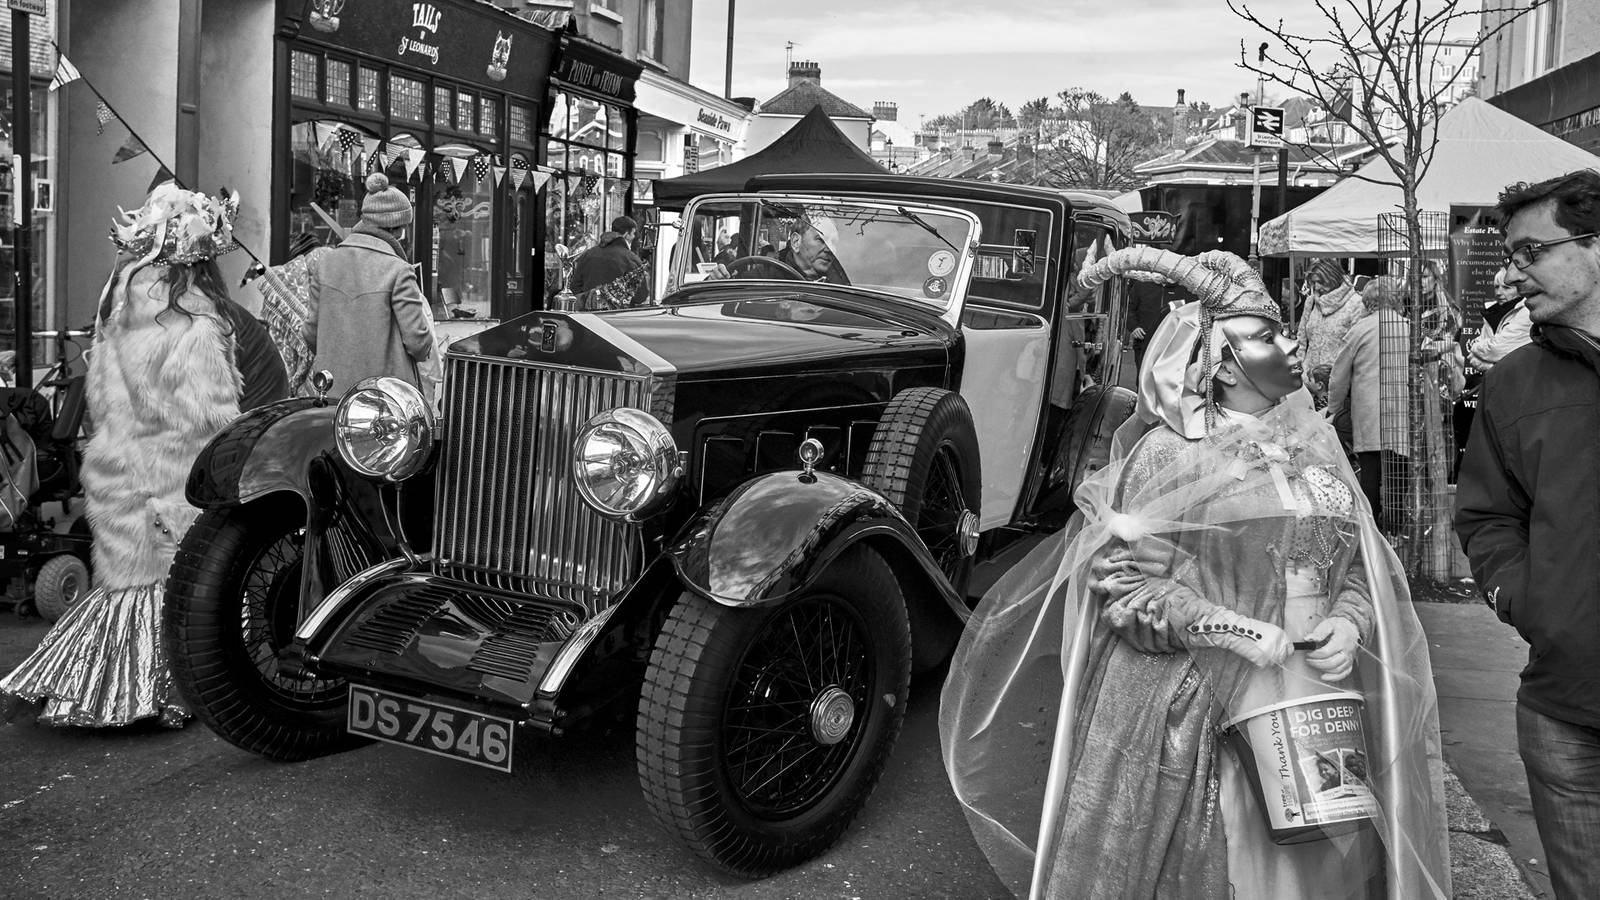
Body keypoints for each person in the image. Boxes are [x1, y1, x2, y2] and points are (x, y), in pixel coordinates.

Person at [942, 246, 1447, 899]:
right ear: (1220, 361)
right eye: (1268, 335)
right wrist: (1227, 627)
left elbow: (1345, 561)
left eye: (1286, 329)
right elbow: (1126, 587)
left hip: (1307, 711)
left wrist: (1348, 622)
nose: (1292, 346)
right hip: (1186, 714)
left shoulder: (1315, 445)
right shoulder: (1166, 455)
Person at [0, 183, 288, 728]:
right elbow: (224, 423)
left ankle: (103, 683)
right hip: (181, 486)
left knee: (129, 592)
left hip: (118, 477)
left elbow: (99, 407)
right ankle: (175, 686)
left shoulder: (115, 319)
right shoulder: (212, 325)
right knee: (184, 592)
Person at [1456, 169, 1600, 900]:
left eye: (1531, 252)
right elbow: (1485, 515)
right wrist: (1530, 600)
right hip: (1566, 708)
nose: (1514, 273)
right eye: (1511, 255)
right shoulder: (1515, 383)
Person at [306, 172, 438, 406]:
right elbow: (418, 341)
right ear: (397, 228)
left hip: (331, 391)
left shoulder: (326, 263)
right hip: (384, 397)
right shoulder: (398, 270)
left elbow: (310, 333)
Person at [1325, 276, 1412, 522]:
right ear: (1396, 300)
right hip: (1401, 414)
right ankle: (1396, 531)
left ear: (1368, 301)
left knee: (1370, 476)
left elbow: (1338, 376)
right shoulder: (1409, 328)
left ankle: (1372, 532)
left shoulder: (1359, 331)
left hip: (1368, 414)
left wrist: (1333, 408)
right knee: (1397, 475)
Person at [1297, 259, 1364, 406]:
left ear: (1332, 278)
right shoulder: (1311, 302)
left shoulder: (1356, 304)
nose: (1317, 287)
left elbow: (1357, 348)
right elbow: (1301, 340)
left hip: (1337, 386)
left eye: (1321, 282)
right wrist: (1300, 370)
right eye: (1313, 283)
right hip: (1308, 384)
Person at [569, 215, 648, 308]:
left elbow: (575, 287)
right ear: (627, 234)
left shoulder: (588, 254)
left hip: (588, 316)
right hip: (617, 317)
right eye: (633, 233)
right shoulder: (631, 259)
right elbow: (640, 296)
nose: (634, 237)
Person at [1465, 266, 1533, 374]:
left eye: (1506, 288)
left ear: (1520, 289)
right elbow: (1474, 357)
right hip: (1498, 381)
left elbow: (1495, 350)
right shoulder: (1493, 312)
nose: (1499, 292)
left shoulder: (1527, 313)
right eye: (1496, 287)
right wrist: (1492, 367)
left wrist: (1475, 347)